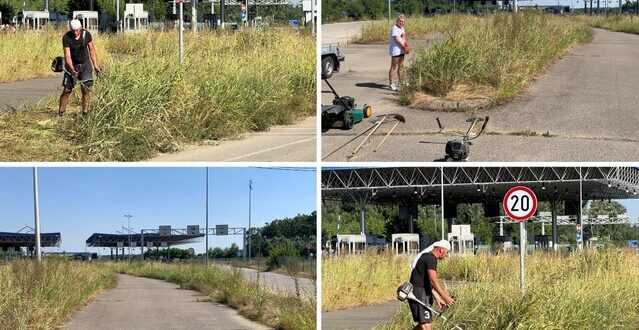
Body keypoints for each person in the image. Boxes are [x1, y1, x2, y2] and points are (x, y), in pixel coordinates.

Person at [408, 240, 455, 330]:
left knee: (423, 324)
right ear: (441, 250)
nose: (446, 256)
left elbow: (427, 282)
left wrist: (437, 297)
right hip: (419, 294)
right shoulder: (431, 259)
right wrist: (445, 297)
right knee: (426, 324)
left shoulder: (427, 257)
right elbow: (433, 280)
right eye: (447, 252)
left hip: (421, 292)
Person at [58, 19, 101, 116]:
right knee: (67, 90)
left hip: (85, 64)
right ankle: (61, 113)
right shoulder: (66, 38)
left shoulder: (86, 35)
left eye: (77, 30)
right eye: (73, 30)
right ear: (70, 29)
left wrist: (96, 65)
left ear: (80, 28)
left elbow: (92, 51)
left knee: (85, 89)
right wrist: (72, 70)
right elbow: (67, 56)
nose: (75, 32)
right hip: (72, 65)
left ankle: (85, 114)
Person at [388, 14, 409, 92]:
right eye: (400, 21)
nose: (401, 22)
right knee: (393, 67)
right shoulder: (395, 28)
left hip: (402, 50)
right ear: (397, 21)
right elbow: (397, 39)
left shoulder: (402, 28)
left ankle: (400, 82)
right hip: (395, 51)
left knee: (401, 67)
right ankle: (391, 84)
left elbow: (404, 38)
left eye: (403, 21)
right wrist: (404, 47)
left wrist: (406, 46)